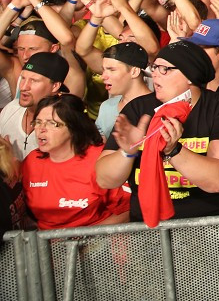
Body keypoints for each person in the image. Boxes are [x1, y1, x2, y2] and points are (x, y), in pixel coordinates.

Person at [96, 41, 219, 223]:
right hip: (149, 228)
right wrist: (127, 153)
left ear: (190, 76)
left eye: (165, 69)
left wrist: (173, 150)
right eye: (155, 67)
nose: (155, 74)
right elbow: (104, 180)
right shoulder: (138, 109)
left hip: (212, 227)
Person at [22, 94, 130, 229]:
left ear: (73, 128)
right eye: (38, 122)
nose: (41, 129)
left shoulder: (99, 159)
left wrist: (84, 238)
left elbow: (126, 211)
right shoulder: (31, 162)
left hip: (97, 238)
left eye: (52, 123)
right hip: (46, 240)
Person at [0, 52, 68, 160]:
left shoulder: (64, 124)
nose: (23, 87)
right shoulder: (11, 108)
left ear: (55, 86)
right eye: (23, 78)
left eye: (34, 81)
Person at [96, 42, 152, 138]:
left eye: (112, 70)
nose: (103, 76)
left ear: (134, 72)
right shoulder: (106, 107)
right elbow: (100, 145)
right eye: (104, 70)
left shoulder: (157, 108)